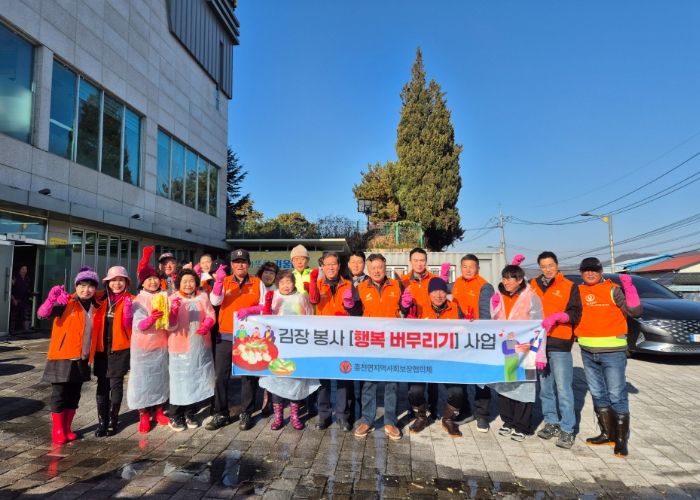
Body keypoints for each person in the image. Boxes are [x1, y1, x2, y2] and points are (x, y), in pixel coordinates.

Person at [575, 257, 641, 458]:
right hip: (587, 350)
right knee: (597, 393)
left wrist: (629, 289)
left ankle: (620, 441)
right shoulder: (578, 291)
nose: (590, 273)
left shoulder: (613, 290)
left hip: (612, 352)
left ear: (601, 271)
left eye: (594, 270)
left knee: (616, 394)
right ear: (581, 273)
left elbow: (635, 311)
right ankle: (607, 434)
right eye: (586, 270)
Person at [345, 253, 413, 441]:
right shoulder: (360, 288)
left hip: (392, 341)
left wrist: (407, 305)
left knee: (391, 383)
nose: (376, 271)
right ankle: (367, 420)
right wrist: (349, 305)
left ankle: (390, 421)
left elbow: (405, 311)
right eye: (373, 268)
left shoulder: (397, 285)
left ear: (385, 267)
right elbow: (355, 314)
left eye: (380, 267)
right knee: (369, 383)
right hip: (370, 341)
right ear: (368, 269)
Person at [241, 270, 320, 430]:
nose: (286, 285)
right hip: (277, 345)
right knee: (276, 379)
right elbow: (265, 318)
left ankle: (295, 416)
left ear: (294, 283)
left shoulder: (301, 297)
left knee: (295, 379)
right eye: (282, 282)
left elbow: (309, 317)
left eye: (288, 282)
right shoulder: (273, 296)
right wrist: (266, 306)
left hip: (296, 345)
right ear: (278, 284)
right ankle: (278, 417)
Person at [38, 266, 105, 445]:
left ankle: (67, 428)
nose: (86, 290)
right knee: (59, 394)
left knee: (75, 395)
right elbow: (42, 314)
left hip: (82, 357)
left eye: (90, 286)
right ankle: (58, 430)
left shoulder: (96, 305)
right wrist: (51, 299)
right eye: (82, 285)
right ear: (76, 286)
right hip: (62, 357)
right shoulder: (65, 301)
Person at [208, 249, 265, 431]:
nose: (240, 265)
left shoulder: (257, 282)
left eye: (243, 262)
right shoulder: (224, 281)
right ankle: (221, 413)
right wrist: (218, 282)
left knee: (248, 376)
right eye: (236, 262)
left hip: (249, 337)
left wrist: (252, 310)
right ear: (232, 265)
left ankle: (246, 412)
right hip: (225, 334)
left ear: (249, 264)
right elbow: (215, 301)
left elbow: (265, 306)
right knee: (220, 376)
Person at [489, 256, 545, 442]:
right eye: (503, 278)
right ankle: (508, 420)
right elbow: (494, 321)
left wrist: (540, 353)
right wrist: (493, 308)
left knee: (524, 385)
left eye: (509, 279)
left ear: (520, 280)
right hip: (506, 347)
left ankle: (522, 426)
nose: (505, 282)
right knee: (506, 384)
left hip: (526, 349)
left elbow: (539, 325)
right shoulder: (499, 296)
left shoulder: (531, 297)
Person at [531, 251, 582, 449]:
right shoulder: (533, 284)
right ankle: (551, 422)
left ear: (557, 265)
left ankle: (567, 429)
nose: (548, 269)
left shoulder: (569, 286)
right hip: (538, 343)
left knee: (563, 388)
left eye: (550, 265)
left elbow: (576, 313)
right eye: (544, 266)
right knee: (545, 388)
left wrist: (560, 316)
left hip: (560, 342)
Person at [408, 277, 467, 437]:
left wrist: (467, 326)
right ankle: (421, 417)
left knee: (457, 392)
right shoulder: (420, 308)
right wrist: (410, 322)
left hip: (448, 359)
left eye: (442, 291)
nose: (439, 295)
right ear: (429, 293)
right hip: (424, 358)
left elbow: (467, 332)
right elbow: (408, 331)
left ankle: (448, 419)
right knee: (414, 391)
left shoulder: (455, 309)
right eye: (434, 291)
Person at [446, 254, 495, 432]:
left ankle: (482, 415)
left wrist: (478, 333)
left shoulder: (484, 286)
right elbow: (438, 289)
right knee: (463, 375)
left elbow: (486, 315)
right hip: (460, 338)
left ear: (478, 269)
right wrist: (441, 279)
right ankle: (465, 410)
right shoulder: (457, 283)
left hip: (477, 337)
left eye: (471, 267)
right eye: (464, 266)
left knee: (481, 379)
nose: (468, 270)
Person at [308, 252, 355, 431]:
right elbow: (313, 300)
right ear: (322, 266)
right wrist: (313, 282)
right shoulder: (318, 284)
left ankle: (343, 416)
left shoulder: (348, 284)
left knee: (343, 377)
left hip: (343, 337)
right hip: (323, 338)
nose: (330, 267)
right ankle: (324, 415)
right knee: (324, 379)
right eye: (327, 264)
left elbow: (355, 309)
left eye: (333, 264)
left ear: (339, 265)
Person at [166, 269, 216, 431]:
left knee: (195, 378)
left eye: (191, 281)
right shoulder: (172, 299)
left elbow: (211, 313)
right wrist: (173, 313)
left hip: (200, 345)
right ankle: (175, 415)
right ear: (178, 283)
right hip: (179, 346)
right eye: (185, 281)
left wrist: (207, 323)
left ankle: (190, 412)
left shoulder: (202, 297)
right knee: (179, 381)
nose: (188, 284)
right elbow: (168, 326)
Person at [127, 246, 170, 433]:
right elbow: (138, 325)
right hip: (143, 348)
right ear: (142, 283)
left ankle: (159, 410)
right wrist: (150, 319)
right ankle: (143, 414)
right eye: (149, 279)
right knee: (142, 381)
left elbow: (170, 321)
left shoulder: (164, 296)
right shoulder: (138, 300)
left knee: (160, 379)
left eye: (155, 279)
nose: (153, 282)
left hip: (161, 345)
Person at [93, 266, 134, 437]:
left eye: (121, 280)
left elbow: (137, 326)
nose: (117, 283)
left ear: (126, 282)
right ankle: (102, 421)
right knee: (102, 384)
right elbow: (82, 294)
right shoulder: (100, 297)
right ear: (107, 282)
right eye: (113, 280)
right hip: (101, 348)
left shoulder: (132, 300)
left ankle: (113, 420)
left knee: (116, 385)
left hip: (120, 348)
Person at [11, 265, 33, 333]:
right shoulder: (15, 278)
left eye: (26, 269)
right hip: (16, 299)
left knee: (26, 315)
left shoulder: (27, 279)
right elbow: (10, 289)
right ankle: (12, 330)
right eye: (23, 269)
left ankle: (26, 330)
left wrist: (31, 294)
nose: (24, 271)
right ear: (19, 270)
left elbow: (28, 289)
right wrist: (13, 299)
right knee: (14, 315)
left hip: (25, 300)